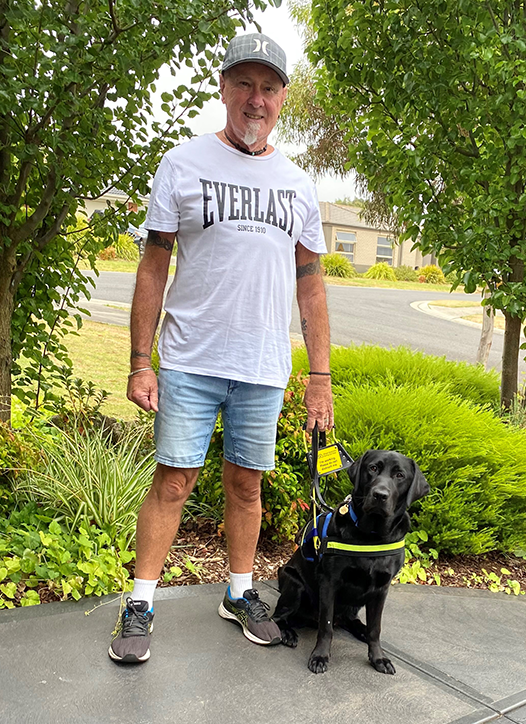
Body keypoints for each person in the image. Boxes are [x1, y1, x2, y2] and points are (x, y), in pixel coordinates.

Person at [109, 32, 333, 664]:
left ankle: (239, 592)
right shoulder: (182, 164)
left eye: (268, 88)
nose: (255, 99)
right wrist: (139, 359)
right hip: (189, 357)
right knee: (175, 482)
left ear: (283, 99)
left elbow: (310, 281)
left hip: (263, 364)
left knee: (245, 486)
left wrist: (320, 375)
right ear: (223, 89)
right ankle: (140, 603)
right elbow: (154, 266)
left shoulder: (297, 183)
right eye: (244, 85)